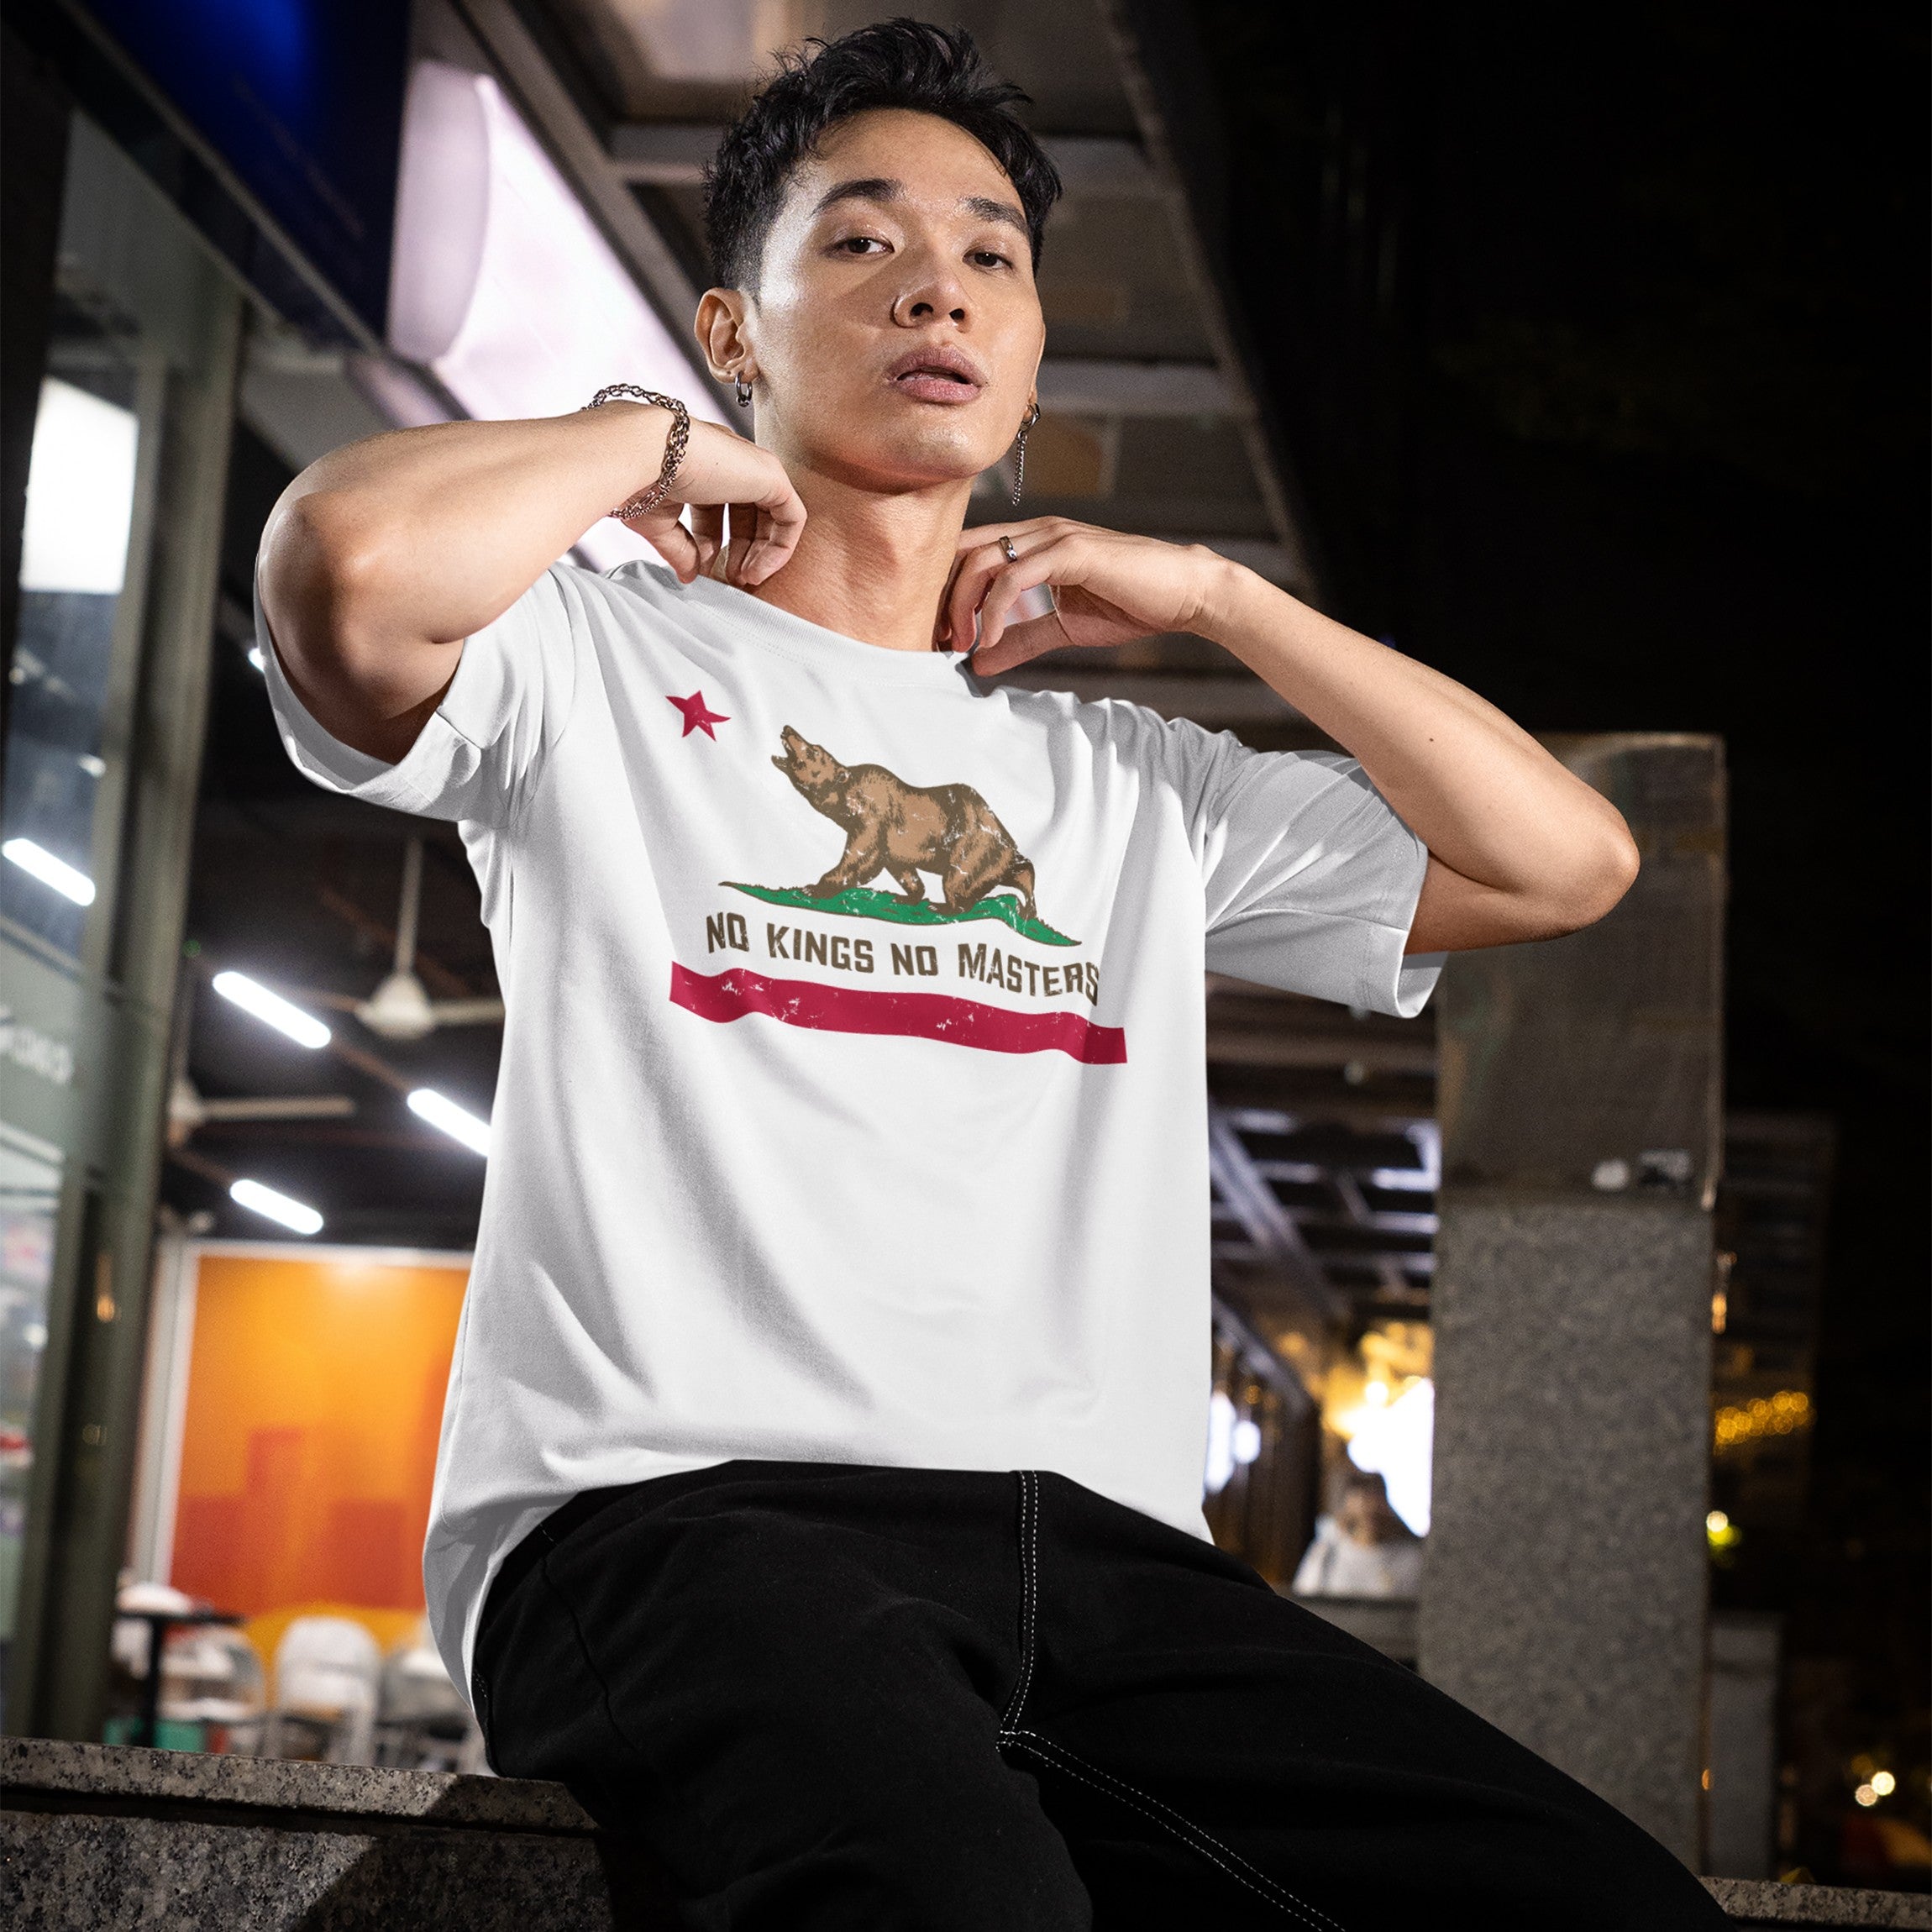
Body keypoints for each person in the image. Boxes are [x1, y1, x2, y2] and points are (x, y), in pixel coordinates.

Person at [255, 20, 1725, 1928]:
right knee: (950, 1900)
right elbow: (345, 568)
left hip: (1103, 1568)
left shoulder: (1129, 780)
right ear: (735, 326)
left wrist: (1219, 598)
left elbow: (1565, 862)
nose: (936, 281)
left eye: (988, 254)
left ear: (1027, 351)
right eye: (858, 243)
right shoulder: (584, 666)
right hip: (676, 1517)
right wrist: (641, 440)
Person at [1292, 1469, 1425, 1600]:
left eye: (1377, 1497)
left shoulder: (1410, 1558)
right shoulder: (1326, 1552)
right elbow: (1306, 1598)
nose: (1371, 1506)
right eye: (1364, 1498)